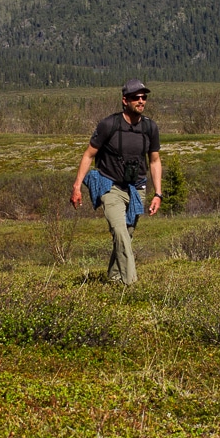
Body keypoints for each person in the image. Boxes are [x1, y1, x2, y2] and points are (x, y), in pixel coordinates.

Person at [71, 79, 163, 286]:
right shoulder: (108, 125)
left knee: (126, 236)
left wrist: (158, 193)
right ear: (125, 100)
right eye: (135, 97)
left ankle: (113, 279)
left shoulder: (150, 127)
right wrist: (77, 186)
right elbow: (88, 155)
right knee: (120, 233)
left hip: (136, 188)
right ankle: (131, 285)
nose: (141, 101)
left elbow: (155, 161)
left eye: (143, 97)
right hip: (109, 185)